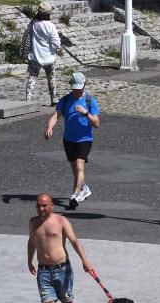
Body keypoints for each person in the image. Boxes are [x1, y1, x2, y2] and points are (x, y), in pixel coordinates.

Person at [27, 193, 94, 303]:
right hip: (43, 270)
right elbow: (31, 242)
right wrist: (29, 261)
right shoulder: (33, 222)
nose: (41, 208)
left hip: (62, 269)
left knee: (67, 301)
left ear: (51, 205)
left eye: (44, 205)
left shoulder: (61, 221)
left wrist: (85, 261)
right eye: (38, 205)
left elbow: (74, 241)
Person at [44, 72, 100, 209]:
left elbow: (97, 123)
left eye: (79, 88)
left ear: (84, 85)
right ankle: (84, 188)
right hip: (69, 139)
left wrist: (85, 113)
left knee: (80, 166)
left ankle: (75, 195)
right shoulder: (65, 100)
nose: (76, 91)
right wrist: (50, 127)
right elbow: (55, 116)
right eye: (74, 88)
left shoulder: (89, 100)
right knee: (75, 168)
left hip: (85, 139)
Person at [25, 2, 61, 106]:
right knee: (51, 78)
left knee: (32, 77)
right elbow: (56, 44)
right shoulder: (50, 26)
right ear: (49, 14)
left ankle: (28, 99)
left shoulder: (33, 24)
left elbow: (28, 32)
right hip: (49, 57)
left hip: (35, 56)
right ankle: (53, 99)